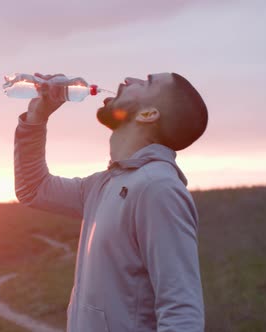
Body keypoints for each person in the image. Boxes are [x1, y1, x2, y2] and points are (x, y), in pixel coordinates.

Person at [13, 72, 207, 332]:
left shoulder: (158, 189)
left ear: (148, 114)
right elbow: (33, 189)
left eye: (147, 82)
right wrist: (38, 117)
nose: (128, 79)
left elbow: (182, 311)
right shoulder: (105, 184)